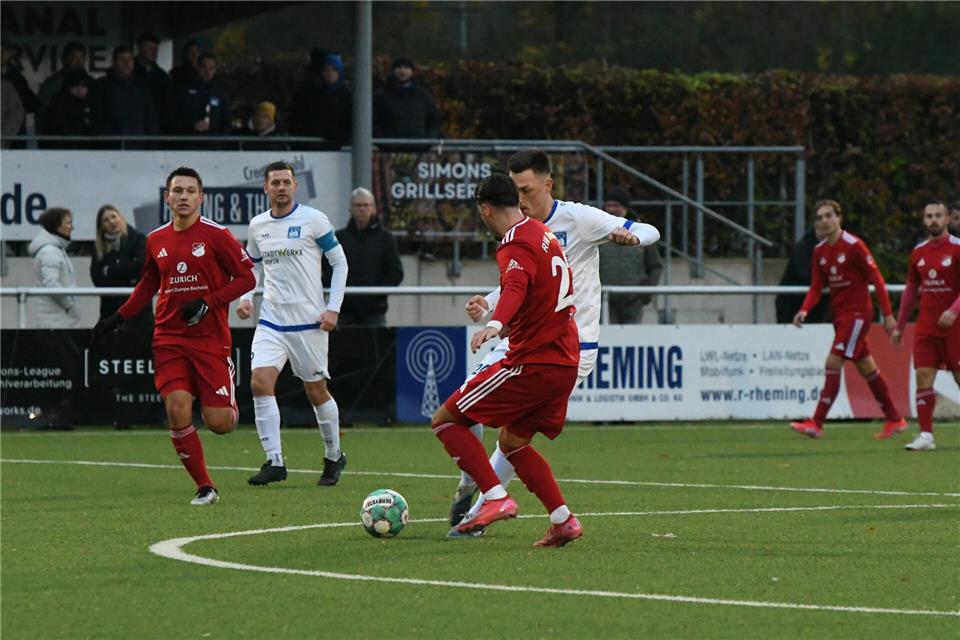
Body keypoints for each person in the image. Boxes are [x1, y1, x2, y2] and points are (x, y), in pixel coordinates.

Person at [450, 149, 660, 527]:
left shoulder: (577, 218)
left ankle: (484, 499)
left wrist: (632, 237)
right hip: (531, 340)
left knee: (472, 417)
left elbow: (648, 230)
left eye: (526, 189)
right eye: (514, 190)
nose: (519, 199)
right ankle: (490, 493)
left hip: (567, 345)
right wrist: (490, 303)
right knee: (501, 427)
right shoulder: (525, 232)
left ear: (548, 184)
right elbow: (522, 283)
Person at [432, 172, 583, 546]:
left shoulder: (513, 243)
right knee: (513, 441)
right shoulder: (542, 233)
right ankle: (563, 520)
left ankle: (495, 498)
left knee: (446, 419)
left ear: (485, 210)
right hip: (564, 360)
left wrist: (495, 324)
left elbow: (515, 287)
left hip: (533, 361)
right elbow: (528, 287)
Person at [93, 167, 255, 505]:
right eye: (177, 190)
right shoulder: (155, 239)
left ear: (201, 197)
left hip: (210, 340)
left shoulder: (217, 235)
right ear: (167, 197)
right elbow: (149, 284)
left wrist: (210, 303)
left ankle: (225, 399)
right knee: (177, 408)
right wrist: (119, 316)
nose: (183, 196)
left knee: (220, 424)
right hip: (168, 337)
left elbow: (246, 279)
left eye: (190, 191)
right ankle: (205, 487)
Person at [236, 161, 350, 487]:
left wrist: (333, 309)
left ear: (295, 186)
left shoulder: (314, 220)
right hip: (272, 321)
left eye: (287, 182)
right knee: (260, 382)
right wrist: (245, 297)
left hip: (309, 323)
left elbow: (339, 263)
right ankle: (274, 461)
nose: (282, 187)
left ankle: (333, 455)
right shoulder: (258, 225)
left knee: (316, 391)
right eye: (276, 182)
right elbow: (252, 268)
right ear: (266, 188)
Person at [789, 199, 906, 439]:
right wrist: (804, 310)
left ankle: (816, 422)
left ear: (839, 218)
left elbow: (877, 280)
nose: (824, 221)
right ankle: (895, 419)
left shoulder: (854, 246)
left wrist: (887, 314)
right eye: (820, 217)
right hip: (840, 318)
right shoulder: (819, 251)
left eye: (829, 215)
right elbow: (816, 287)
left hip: (858, 316)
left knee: (832, 363)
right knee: (866, 367)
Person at [891, 201, 960, 451]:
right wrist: (900, 325)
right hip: (926, 326)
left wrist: (954, 310)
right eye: (929, 216)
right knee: (923, 376)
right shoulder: (918, 252)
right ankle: (926, 435)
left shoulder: (957, 248)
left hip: (956, 327)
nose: (933, 220)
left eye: (938, 216)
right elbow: (911, 290)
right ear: (924, 220)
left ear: (947, 219)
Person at [323, 188, 403, 326]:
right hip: (344, 312)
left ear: (373, 208)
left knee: (378, 347)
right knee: (343, 348)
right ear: (350, 209)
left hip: (375, 312)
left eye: (366, 205)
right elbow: (327, 270)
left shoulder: (386, 239)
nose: (362, 209)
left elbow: (395, 272)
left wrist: (376, 295)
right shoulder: (339, 239)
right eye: (358, 205)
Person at [598, 186, 663, 323]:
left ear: (626, 207)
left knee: (632, 340)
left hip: (633, 301)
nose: (611, 209)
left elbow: (655, 266)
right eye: (608, 205)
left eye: (616, 205)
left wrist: (646, 293)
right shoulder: (597, 231)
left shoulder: (642, 231)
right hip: (604, 300)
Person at [89, 205, 152, 326]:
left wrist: (110, 270)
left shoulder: (138, 239)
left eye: (113, 216)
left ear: (121, 218)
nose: (111, 222)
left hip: (139, 311)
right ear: (101, 226)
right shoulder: (98, 247)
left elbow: (140, 267)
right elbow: (97, 278)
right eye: (106, 220)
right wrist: (128, 277)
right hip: (110, 310)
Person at [28, 207, 79, 328]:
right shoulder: (50, 252)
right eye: (68, 223)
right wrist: (70, 306)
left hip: (58, 319)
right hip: (56, 322)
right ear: (56, 226)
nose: (72, 227)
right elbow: (51, 283)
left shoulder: (56, 250)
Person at [92, 46, 158, 136]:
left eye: (130, 59)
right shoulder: (101, 85)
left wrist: (152, 145)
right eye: (122, 59)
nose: (127, 63)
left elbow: (150, 118)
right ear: (113, 62)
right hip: (109, 145)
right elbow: (97, 118)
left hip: (138, 145)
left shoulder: (142, 86)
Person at [290, 50, 351, 149]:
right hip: (314, 148)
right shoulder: (314, 95)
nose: (330, 73)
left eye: (334, 70)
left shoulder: (347, 97)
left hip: (338, 150)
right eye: (326, 70)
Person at [373, 56, 440, 143]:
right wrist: (382, 142)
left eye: (406, 68)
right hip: (388, 149)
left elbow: (433, 120)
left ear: (412, 72)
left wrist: (428, 141)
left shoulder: (423, 95)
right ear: (393, 71)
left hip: (419, 148)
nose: (402, 71)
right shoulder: (380, 96)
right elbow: (373, 121)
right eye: (399, 67)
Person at [165, 52, 231, 137]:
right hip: (187, 144)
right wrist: (192, 126)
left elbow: (227, 123)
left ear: (215, 70)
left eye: (211, 68)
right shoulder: (183, 90)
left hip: (213, 146)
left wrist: (219, 144)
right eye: (204, 67)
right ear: (197, 67)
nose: (207, 72)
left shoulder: (220, 94)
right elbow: (170, 120)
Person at [775, 226, 830, 324]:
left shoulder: (834, 247)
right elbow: (807, 277)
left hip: (816, 306)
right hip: (793, 307)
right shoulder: (803, 247)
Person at [36, 41, 88, 132]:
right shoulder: (52, 83)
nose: (78, 61)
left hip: (85, 139)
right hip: (58, 137)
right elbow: (42, 112)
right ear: (64, 59)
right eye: (74, 57)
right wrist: (43, 138)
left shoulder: (91, 82)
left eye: (81, 57)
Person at [42, 69, 94, 144]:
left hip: (87, 148)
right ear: (69, 87)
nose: (80, 90)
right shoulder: (59, 101)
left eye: (84, 86)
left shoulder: (92, 100)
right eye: (76, 86)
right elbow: (56, 127)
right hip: (62, 147)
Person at [134, 33, 171, 112]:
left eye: (156, 49)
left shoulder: (162, 76)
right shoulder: (128, 71)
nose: (154, 52)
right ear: (140, 48)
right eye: (150, 48)